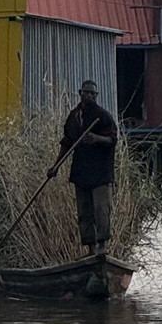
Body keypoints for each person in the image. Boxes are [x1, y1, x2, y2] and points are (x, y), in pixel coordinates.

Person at [48, 80, 118, 256]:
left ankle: (102, 247)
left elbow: (112, 139)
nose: (90, 96)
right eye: (87, 92)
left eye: (93, 94)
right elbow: (66, 143)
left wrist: (97, 139)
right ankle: (91, 249)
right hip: (81, 172)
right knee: (84, 213)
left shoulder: (102, 116)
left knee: (101, 210)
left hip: (101, 173)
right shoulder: (74, 117)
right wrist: (55, 166)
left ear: (97, 96)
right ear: (80, 93)